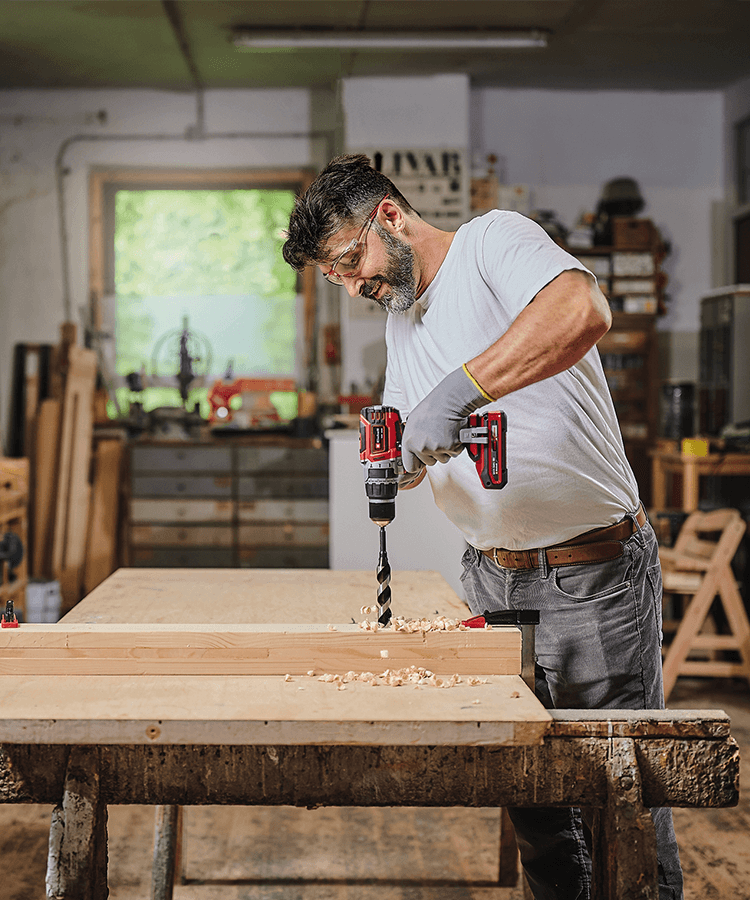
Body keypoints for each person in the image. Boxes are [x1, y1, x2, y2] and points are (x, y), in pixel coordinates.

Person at [282, 153, 683, 900]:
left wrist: (461, 391)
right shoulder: (403, 322)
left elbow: (580, 312)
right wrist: (399, 458)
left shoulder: (493, 241)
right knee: (531, 790)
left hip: (591, 574)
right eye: (335, 278)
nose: (354, 284)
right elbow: (412, 425)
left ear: (390, 218)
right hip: (493, 577)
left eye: (351, 260)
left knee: (618, 793)